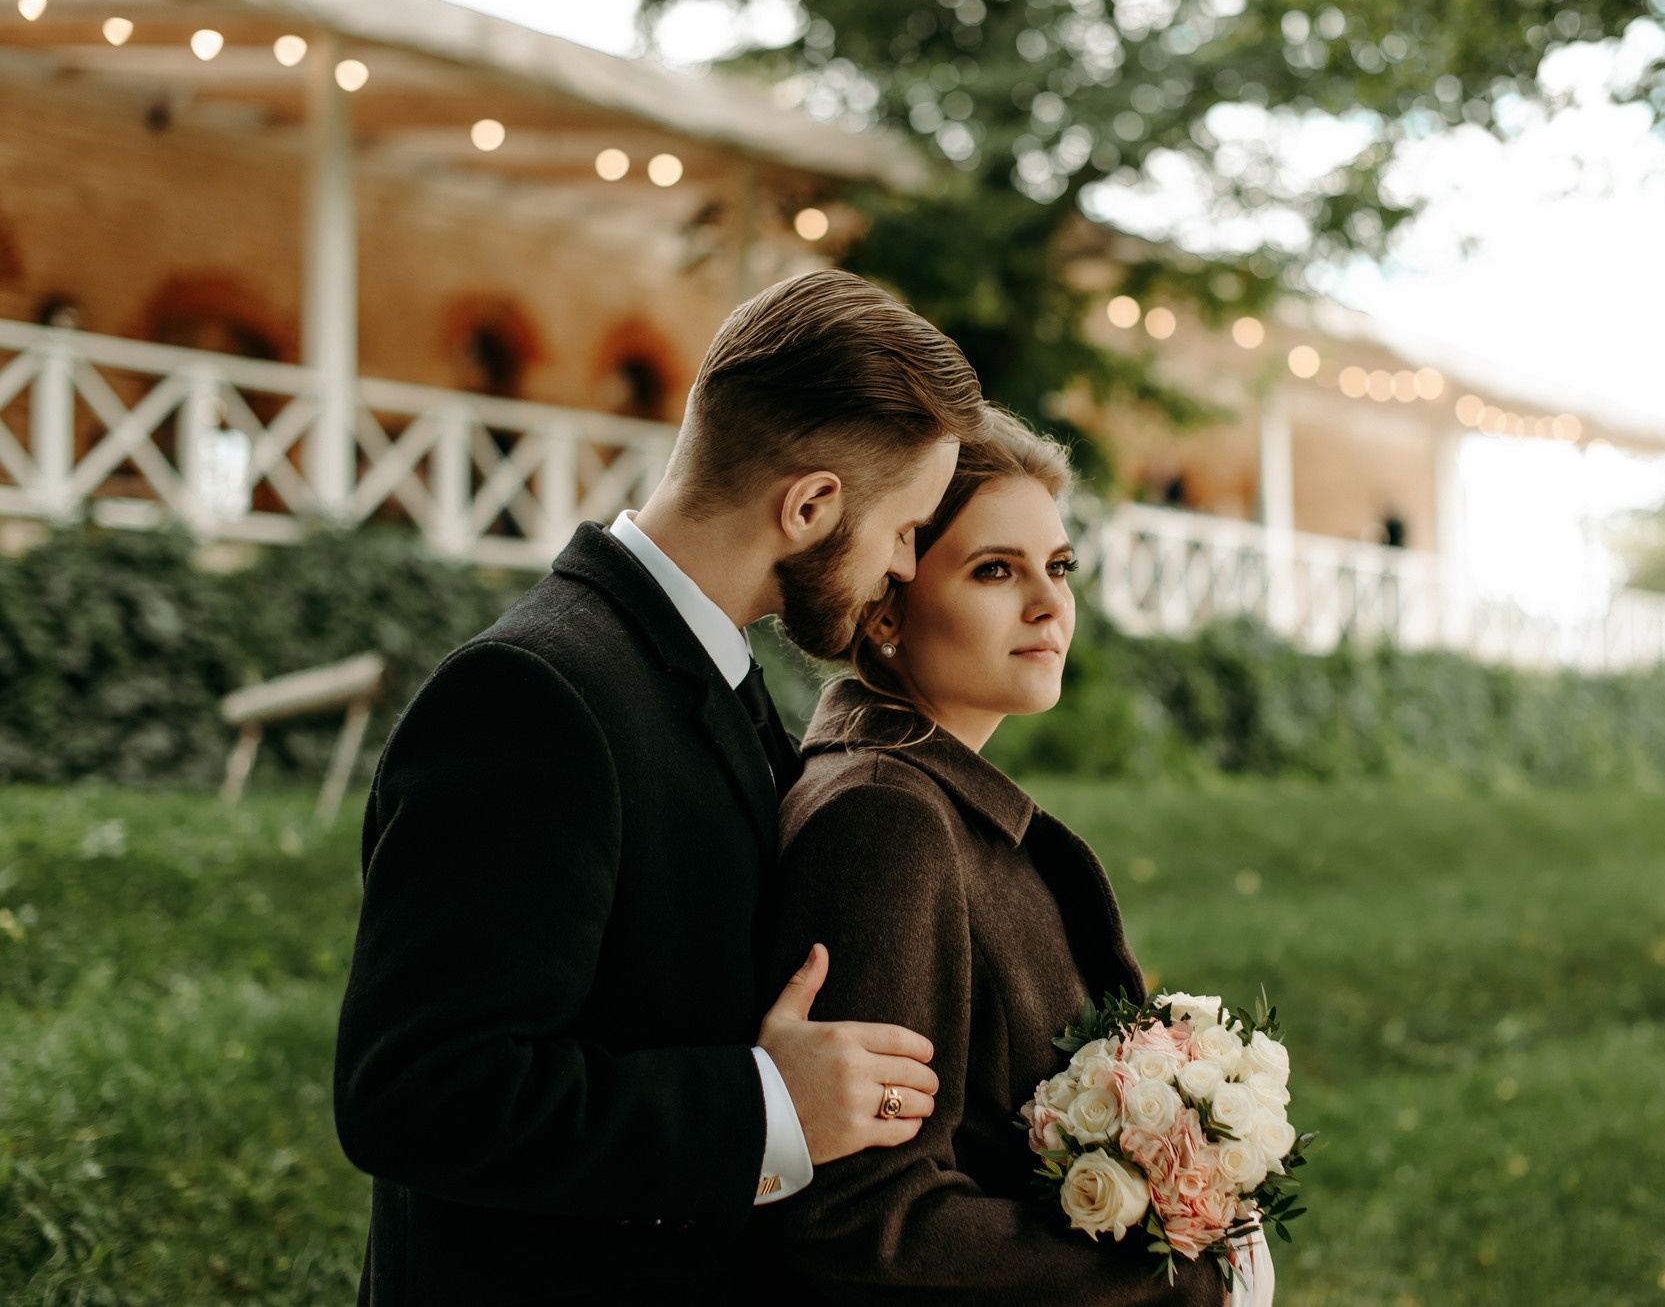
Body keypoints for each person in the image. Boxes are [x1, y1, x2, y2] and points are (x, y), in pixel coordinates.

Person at [332, 269, 993, 1304]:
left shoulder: (705, 668)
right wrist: (765, 1106)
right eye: (905, 527)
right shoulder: (531, 696)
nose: (907, 565)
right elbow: (419, 1096)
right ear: (812, 504)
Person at [757, 412, 1276, 1306]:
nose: (1048, 602)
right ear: (885, 603)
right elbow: (869, 1222)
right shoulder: (885, 822)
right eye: (995, 569)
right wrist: (1182, 1284)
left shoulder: (923, 797)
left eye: (1059, 566)